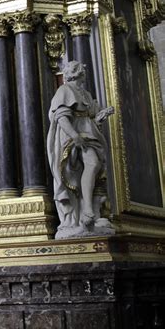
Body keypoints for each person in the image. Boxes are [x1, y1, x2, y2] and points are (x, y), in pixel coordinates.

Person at [47, 60, 114, 238]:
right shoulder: (65, 90)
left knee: (95, 167)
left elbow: (90, 117)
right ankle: (86, 211)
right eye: (82, 70)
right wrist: (74, 136)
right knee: (91, 164)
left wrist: (101, 115)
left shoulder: (84, 93)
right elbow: (61, 118)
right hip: (74, 138)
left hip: (89, 134)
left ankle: (90, 210)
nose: (84, 72)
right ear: (76, 73)